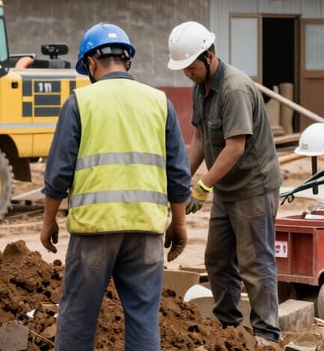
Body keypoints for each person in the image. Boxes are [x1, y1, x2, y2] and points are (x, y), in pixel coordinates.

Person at [40, 23, 191, 351]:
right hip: (146, 232)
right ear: (127, 61)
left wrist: (48, 221)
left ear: (92, 64)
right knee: (143, 319)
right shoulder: (159, 102)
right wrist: (178, 225)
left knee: (78, 318)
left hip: (95, 231)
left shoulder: (80, 102)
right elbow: (178, 175)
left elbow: (58, 175)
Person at [167, 21, 283, 347]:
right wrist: (180, 183)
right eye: (183, 69)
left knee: (255, 263)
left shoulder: (234, 88)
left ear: (208, 56)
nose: (187, 73)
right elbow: (201, 140)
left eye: (190, 66)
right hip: (227, 189)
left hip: (254, 187)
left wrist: (202, 188)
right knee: (217, 259)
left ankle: (266, 335)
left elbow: (235, 148)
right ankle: (230, 326)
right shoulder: (200, 88)